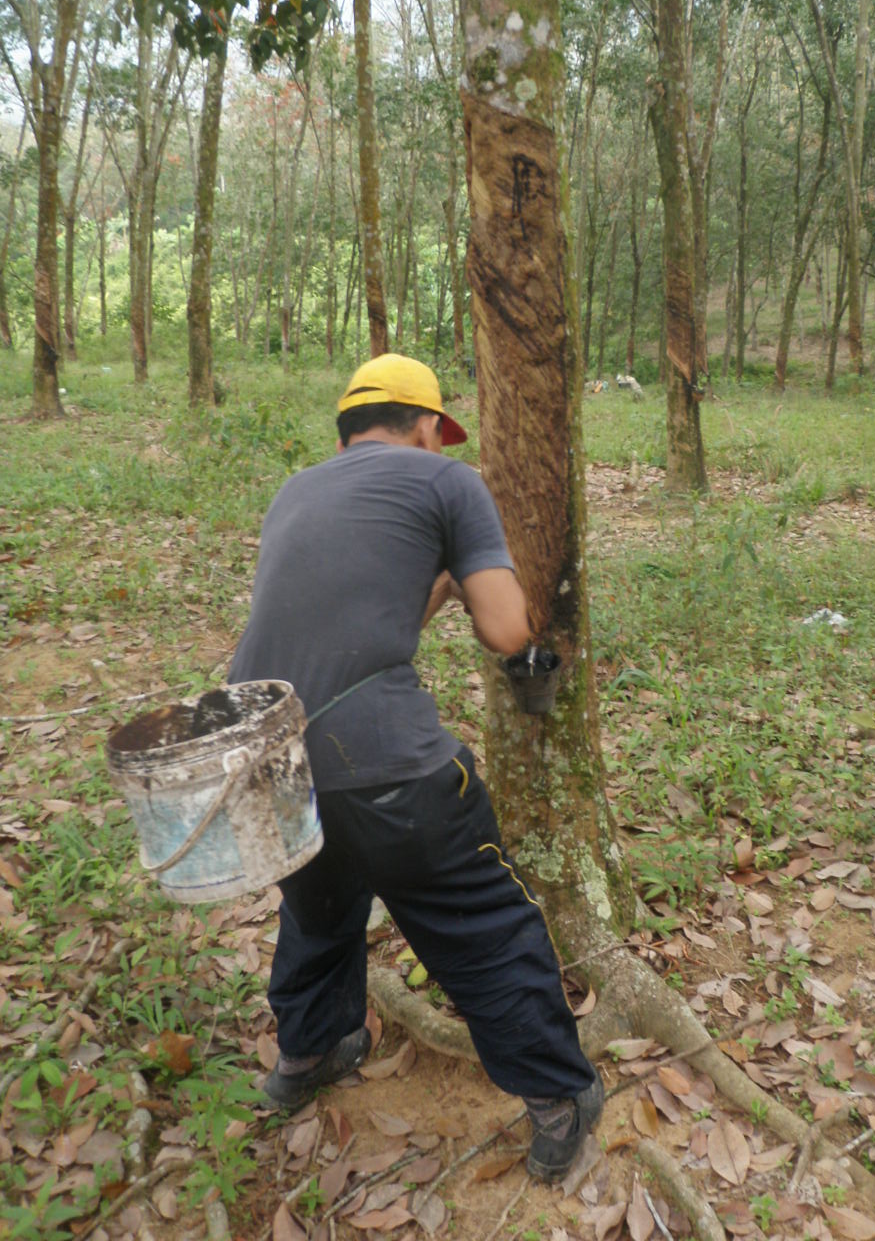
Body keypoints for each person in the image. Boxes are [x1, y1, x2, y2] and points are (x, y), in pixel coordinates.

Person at [228, 354, 601, 1180]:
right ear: (428, 425)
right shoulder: (450, 483)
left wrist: (437, 576)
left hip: (268, 762)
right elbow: (507, 633)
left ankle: (308, 1053)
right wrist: (482, 581)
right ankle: (558, 1100)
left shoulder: (297, 491)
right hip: (390, 769)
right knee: (482, 926)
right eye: (439, 432)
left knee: (320, 902)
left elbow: (367, 615)